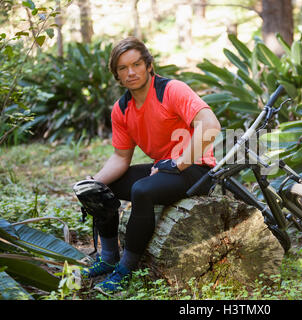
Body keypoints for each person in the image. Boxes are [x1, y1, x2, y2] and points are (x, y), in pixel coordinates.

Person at [81, 36, 221, 294]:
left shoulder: (172, 90)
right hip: (163, 169)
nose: (131, 72)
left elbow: (211, 126)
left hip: (196, 169)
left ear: (148, 65)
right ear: (117, 75)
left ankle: (125, 269)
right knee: (100, 189)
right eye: (123, 68)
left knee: (142, 190)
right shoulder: (121, 108)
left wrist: (178, 163)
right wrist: (95, 181)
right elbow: (121, 158)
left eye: (136, 64)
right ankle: (109, 256)